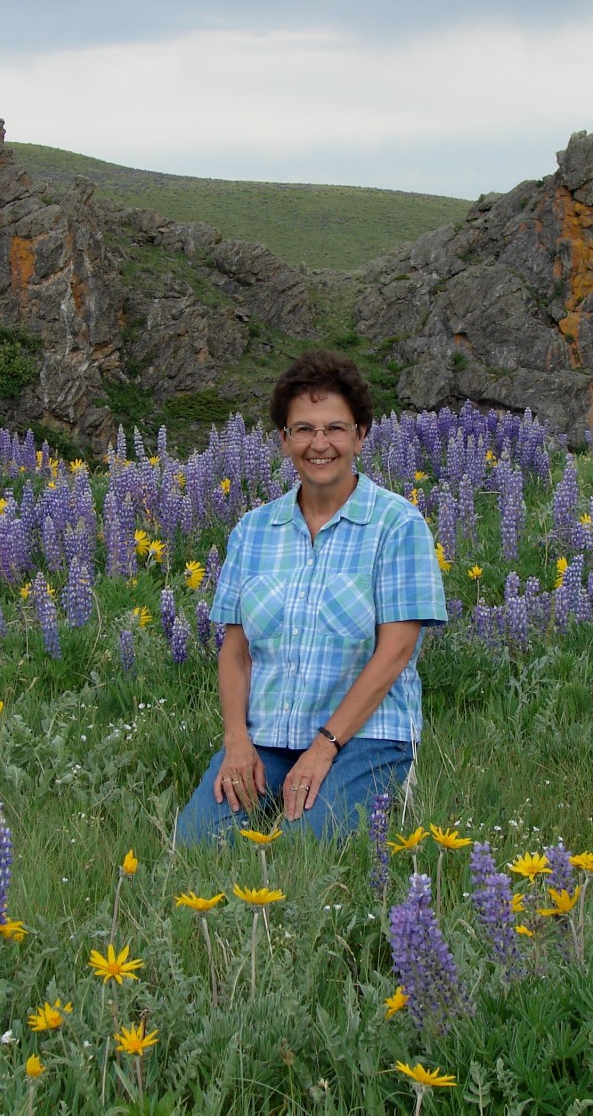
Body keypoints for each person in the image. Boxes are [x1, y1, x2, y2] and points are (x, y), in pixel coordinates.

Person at [174, 350, 447, 844]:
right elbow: (235, 653)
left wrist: (324, 747)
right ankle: (276, 785)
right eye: (303, 429)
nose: (319, 444)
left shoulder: (398, 523)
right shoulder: (252, 530)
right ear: (284, 440)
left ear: (361, 435)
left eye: (335, 429)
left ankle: (387, 785)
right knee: (198, 844)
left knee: (308, 849)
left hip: (366, 736)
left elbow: (397, 652)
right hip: (269, 736)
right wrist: (237, 742)